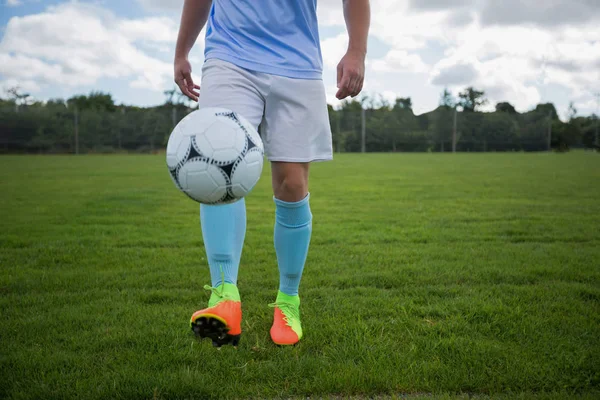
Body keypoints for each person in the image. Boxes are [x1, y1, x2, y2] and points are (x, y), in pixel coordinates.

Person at [174, 0, 370, 347]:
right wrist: (182, 52)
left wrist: (356, 51)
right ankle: (224, 296)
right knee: (216, 170)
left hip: (297, 64)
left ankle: (288, 302)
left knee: (292, 184)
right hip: (229, 58)